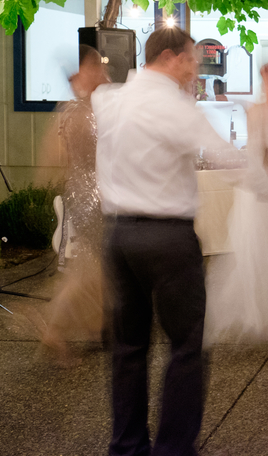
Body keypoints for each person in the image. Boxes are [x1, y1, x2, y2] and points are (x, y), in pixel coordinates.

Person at [93, 26, 242, 456]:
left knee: (128, 348)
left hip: (118, 236)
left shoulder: (112, 101)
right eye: (192, 60)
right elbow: (222, 155)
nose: (196, 68)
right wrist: (267, 181)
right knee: (186, 346)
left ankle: (127, 446)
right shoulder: (173, 108)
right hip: (167, 239)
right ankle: (173, 449)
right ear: (172, 58)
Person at [204, 63, 268, 343]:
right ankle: (259, 317)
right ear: (263, 83)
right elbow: (262, 151)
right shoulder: (255, 112)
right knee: (258, 252)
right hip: (260, 191)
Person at [34, 45, 110, 366]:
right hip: (91, 196)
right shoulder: (82, 110)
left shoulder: (78, 109)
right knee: (86, 270)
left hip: (85, 193)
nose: (103, 73)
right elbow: (58, 154)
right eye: (97, 68)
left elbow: (54, 156)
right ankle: (55, 330)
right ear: (83, 73)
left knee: (98, 267)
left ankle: (98, 326)